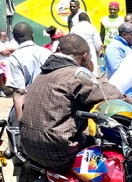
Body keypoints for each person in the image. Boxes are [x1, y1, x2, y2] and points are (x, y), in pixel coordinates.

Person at [19, 34, 132, 173]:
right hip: (60, 151)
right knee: (114, 159)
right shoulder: (76, 75)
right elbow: (114, 96)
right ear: (85, 56)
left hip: (29, 147)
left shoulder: (42, 74)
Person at [6, 22, 51, 122]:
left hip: (29, 106)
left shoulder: (16, 57)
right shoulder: (47, 52)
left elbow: (19, 91)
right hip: (49, 104)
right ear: (33, 36)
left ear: (15, 38)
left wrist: (20, 119)